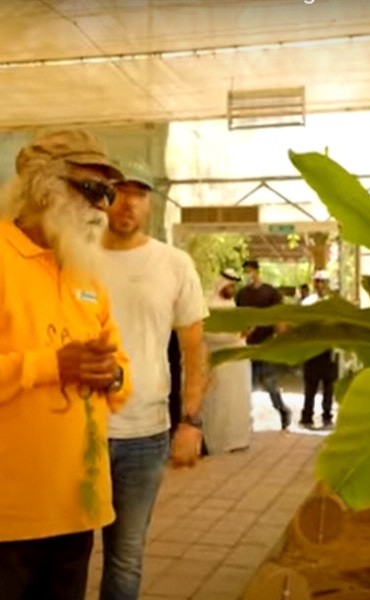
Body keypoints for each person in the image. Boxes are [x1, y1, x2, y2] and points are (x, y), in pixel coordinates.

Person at [0, 129, 133, 600]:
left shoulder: (84, 273)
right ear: (45, 188)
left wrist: (112, 374)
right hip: (1, 520)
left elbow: (120, 369)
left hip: (77, 511)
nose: (104, 208)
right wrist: (48, 366)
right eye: (92, 191)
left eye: (109, 194)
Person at [97, 158, 208, 600]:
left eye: (139, 194)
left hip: (145, 434)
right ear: (104, 197)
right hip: (75, 429)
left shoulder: (174, 263)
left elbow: (194, 349)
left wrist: (192, 422)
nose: (129, 203)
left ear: (150, 204)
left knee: (126, 556)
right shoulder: (73, 256)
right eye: (120, 191)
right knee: (63, 550)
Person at [235, 259, 290, 429]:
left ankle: (282, 410)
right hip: (246, 344)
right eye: (245, 272)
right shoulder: (242, 294)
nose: (248, 275)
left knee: (268, 381)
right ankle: (245, 420)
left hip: (265, 343)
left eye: (250, 271)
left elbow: (279, 317)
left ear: (257, 272)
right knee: (247, 383)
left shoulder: (271, 293)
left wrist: (283, 338)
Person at [202, 269, 253, 454]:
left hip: (237, 363)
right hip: (220, 363)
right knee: (219, 405)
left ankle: (238, 439)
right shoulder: (210, 305)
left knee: (237, 402)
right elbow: (209, 334)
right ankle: (218, 442)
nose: (232, 289)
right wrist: (238, 334)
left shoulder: (231, 304)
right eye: (229, 285)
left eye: (234, 286)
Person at [299, 271, 338, 429]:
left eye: (324, 282)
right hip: (312, 348)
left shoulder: (333, 303)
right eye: (318, 282)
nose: (321, 285)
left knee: (329, 386)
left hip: (329, 349)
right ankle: (307, 416)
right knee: (311, 385)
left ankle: (327, 416)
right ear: (314, 284)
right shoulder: (308, 302)